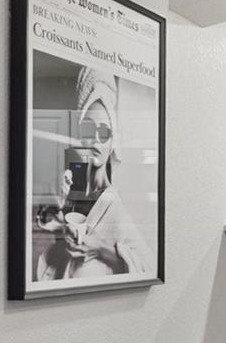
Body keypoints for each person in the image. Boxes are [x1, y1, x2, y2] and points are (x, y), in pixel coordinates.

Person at [34, 67, 154, 281]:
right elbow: (45, 224)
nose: (96, 141)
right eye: (89, 130)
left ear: (113, 141)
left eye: (104, 133)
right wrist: (59, 214)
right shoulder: (70, 187)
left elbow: (148, 268)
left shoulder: (116, 206)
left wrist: (100, 248)